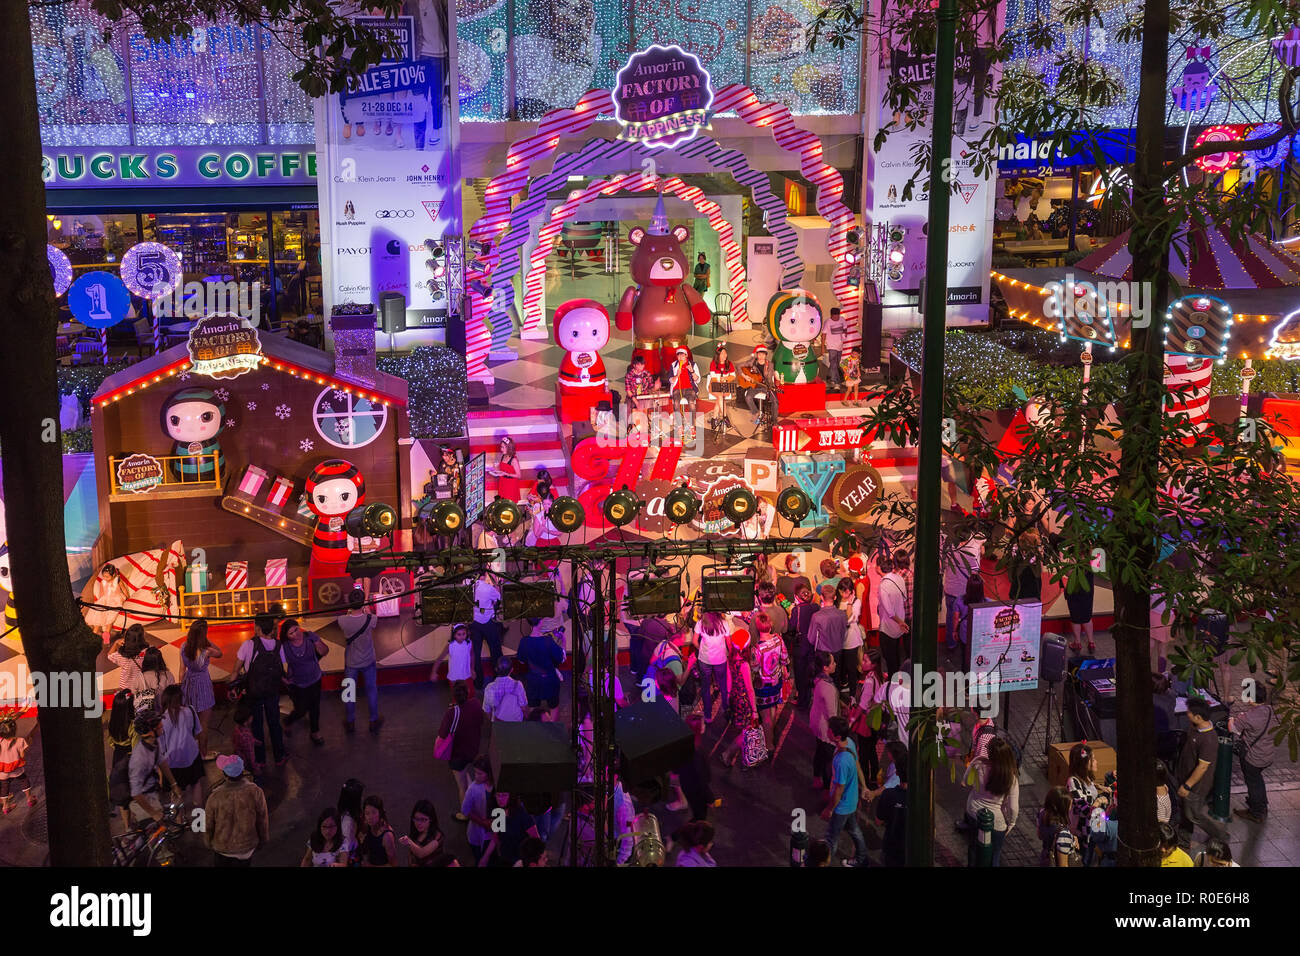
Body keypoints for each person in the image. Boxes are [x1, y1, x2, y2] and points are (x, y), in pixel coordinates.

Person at [234, 614, 286, 767]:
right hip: (272, 690)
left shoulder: (248, 645)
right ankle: (279, 756)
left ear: (257, 628)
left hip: (254, 691)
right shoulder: (278, 645)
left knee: (256, 724)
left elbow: (236, 669)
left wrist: (232, 686)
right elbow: (284, 668)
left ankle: (260, 759)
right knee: (274, 723)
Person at [1177, 697, 1229, 844]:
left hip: (1196, 786)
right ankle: (1184, 837)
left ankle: (1220, 835)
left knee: (1194, 814)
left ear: (1198, 717)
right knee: (1186, 812)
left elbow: (1203, 767)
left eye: (1189, 712)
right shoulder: (1195, 727)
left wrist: (1187, 785)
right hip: (1185, 778)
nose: (1187, 714)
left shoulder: (1209, 740)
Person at [964, 736, 1020, 867]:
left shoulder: (979, 765)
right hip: (997, 821)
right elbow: (1013, 807)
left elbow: (967, 781)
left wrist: (975, 761)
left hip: (973, 812)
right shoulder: (1010, 777)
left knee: (973, 847)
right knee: (995, 853)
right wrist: (1011, 823)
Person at [205, 755, 269, 866]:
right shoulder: (255, 791)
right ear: (242, 771)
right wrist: (263, 839)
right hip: (247, 848)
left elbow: (209, 824)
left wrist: (208, 841)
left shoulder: (215, 796)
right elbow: (262, 819)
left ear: (225, 775)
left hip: (223, 849)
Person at [822, 715, 867, 866]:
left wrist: (829, 809)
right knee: (854, 830)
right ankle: (861, 859)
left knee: (831, 838)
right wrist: (864, 787)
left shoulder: (841, 761)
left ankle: (824, 863)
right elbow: (857, 765)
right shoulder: (851, 743)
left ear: (837, 736)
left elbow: (839, 789)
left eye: (829, 730)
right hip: (852, 800)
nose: (827, 732)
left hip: (842, 806)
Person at [1229, 684, 1276, 823]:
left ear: (1250, 698)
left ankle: (1256, 813)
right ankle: (1262, 805)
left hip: (1254, 757)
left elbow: (1233, 729)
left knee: (1253, 783)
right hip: (1268, 754)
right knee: (1257, 780)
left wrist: (1232, 719)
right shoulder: (1270, 709)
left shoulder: (1248, 717)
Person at [177, 617, 221, 759]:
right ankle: (203, 753)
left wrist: (181, 686)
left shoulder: (184, 646)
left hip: (189, 683)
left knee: (190, 721)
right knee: (204, 724)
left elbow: (181, 670)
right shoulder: (206, 651)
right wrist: (207, 641)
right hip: (203, 685)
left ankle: (191, 751)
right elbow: (220, 652)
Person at [339, 590, 383, 734]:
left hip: (351, 662)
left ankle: (351, 721)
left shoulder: (342, 620)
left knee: (349, 693)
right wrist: (367, 610)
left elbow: (347, 620)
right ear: (363, 602)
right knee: (371, 691)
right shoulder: (371, 619)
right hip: (368, 660)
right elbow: (373, 619)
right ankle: (373, 720)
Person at [279, 618, 327, 746]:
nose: (296, 633)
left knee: (315, 707)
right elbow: (276, 664)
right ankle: (288, 721)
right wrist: (283, 678)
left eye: (296, 629)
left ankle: (315, 732)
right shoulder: (284, 647)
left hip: (315, 678)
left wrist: (317, 640)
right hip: (297, 683)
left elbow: (324, 651)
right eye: (291, 633)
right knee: (301, 710)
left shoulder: (309, 638)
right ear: (287, 636)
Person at [438, 681, 485, 809]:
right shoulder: (475, 704)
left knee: (461, 786)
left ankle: (465, 814)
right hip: (473, 750)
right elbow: (481, 721)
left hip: (458, 756)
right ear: (468, 692)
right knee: (472, 776)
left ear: (454, 696)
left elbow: (442, 735)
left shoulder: (451, 713)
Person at [158, 685, 205, 808]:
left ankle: (179, 822)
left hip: (172, 762)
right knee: (196, 783)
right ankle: (198, 820)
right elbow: (198, 732)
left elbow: (161, 747)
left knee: (176, 793)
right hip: (192, 755)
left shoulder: (161, 720)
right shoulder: (190, 710)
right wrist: (202, 750)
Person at [752, 611, 790, 753]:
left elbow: (755, 668)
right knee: (773, 709)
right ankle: (770, 737)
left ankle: (769, 745)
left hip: (763, 685)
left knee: (765, 716)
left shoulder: (757, 648)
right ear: (770, 625)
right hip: (776, 681)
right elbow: (785, 658)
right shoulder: (778, 639)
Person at [848, 648, 887, 784]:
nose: (862, 663)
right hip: (875, 720)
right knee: (871, 751)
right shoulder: (878, 677)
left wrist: (852, 719)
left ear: (873, 664)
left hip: (866, 721)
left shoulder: (870, 681)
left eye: (866, 661)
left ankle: (865, 782)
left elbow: (863, 705)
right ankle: (874, 777)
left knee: (864, 754)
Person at [720, 632, 759, 768]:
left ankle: (745, 757)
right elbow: (750, 689)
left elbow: (729, 682)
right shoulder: (744, 665)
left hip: (735, 699)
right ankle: (729, 753)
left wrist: (727, 700)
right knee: (748, 730)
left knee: (744, 729)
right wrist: (754, 710)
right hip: (744, 701)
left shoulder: (730, 659)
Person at [942, 530, 982, 651]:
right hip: (964, 592)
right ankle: (965, 641)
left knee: (950, 617)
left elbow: (943, 566)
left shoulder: (949, 551)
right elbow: (976, 572)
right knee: (966, 618)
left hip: (950, 589)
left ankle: (951, 643)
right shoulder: (972, 553)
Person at [871, 741, 909, 867]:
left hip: (892, 845)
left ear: (897, 773)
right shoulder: (920, 798)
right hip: (910, 848)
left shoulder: (888, 795)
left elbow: (878, 821)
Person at [479, 791, 539, 867]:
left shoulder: (522, 814)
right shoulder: (498, 811)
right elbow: (495, 837)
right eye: (498, 795)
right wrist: (485, 857)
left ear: (511, 796)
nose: (500, 799)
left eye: (504, 795)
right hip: (504, 858)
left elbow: (536, 840)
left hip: (519, 861)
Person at [809, 584, 850, 692]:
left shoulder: (817, 616)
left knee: (822, 682)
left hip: (823, 654)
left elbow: (811, 638)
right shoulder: (842, 614)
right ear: (835, 597)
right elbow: (844, 632)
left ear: (821, 597)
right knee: (836, 680)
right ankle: (835, 704)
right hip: (837, 651)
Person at [694, 611, 731, 724]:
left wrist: (702, 649)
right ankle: (726, 709)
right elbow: (729, 642)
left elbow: (694, 641)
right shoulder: (723, 623)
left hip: (705, 660)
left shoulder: (701, 623)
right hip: (720, 659)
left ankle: (708, 716)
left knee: (705, 687)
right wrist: (730, 653)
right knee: (723, 685)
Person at [810, 652, 839, 791]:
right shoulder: (827, 686)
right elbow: (831, 713)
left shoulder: (819, 680)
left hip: (816, 722)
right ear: (825, 668)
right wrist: (837, 731)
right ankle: (827, 790)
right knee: (829, 759)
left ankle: (816, 777)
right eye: (832, 663)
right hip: (824, 727)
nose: (835, 664)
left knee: (820, 751)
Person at [876, 556, 910, 676]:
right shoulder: (899, 578)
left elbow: (889, 611)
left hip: (889, 626)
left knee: (889, 657)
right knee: (896, 653)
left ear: (879, 568)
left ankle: (893, 680)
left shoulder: (883, 586)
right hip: (899, 624)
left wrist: (899, 621)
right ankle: (898, 677)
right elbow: (905, 598)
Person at [469, 571, 504, 689]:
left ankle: (478, 683)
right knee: (496, 651)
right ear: (485, 574)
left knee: (476, 654)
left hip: (474, 623)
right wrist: (496, 584)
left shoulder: (468, 585)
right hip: (488, 622)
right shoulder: (488, 588)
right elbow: (499, 598)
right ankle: (498, 679)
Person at [790, 584, 819, 710]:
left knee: (800, 674)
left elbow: (791, 627)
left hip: (801, 645)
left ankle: (802, 701)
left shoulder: (797, 610)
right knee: (810, 672)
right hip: (813, 645)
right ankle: (810, 697)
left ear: (796, 597)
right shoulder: (815, 607)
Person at [460, 756, 493, 859]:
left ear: (489, 774)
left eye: (480, 773)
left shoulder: (495, 787)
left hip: (494, 833)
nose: (476, 776)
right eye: (475, 772)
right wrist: (483, 823)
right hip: (477, 832)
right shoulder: (473, 789)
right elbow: (465, 810)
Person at [1037, 787, 1079, 867]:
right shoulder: (1063, 834)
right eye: (1070, 805)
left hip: (1045, 857)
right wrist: (1068, 839)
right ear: (1063, 807)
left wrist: (1071, 837)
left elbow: (1040, 835)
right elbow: (1063, 865)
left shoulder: (1042, 813)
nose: (1071, 808)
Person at [85, 562, 127, 641]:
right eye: (104, 576)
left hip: (115, 600)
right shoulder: (102, 582)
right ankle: (94, 635)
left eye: (107, 577)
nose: (105, 578)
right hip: (105, 599)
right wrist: (101, 602)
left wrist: (127, 596)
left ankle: (106, 637)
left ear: (113, 575)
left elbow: (123, 589)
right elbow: (101, 593)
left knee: (109, 619)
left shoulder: (117, 581)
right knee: (98, 615)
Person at [0, 718, 34, 814]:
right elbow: (22, 755)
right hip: (16, 769)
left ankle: (5, 807)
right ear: (14, 730)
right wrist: (29, 743)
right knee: (24, 780)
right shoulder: (20, 740)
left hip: (2, 771)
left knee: (4, 787)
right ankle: (30, 799)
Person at [107, 626, 149, 701]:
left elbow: (110, 655)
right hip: (142, 687)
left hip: (126, 689)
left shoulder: (121, 656)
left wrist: (116, 643)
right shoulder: (147, 652)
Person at [483, 657, 529, 723]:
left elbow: (487, 710)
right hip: (516, 722)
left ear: (496, 669)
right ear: (511, 670)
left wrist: (493, 722)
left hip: (498, 723)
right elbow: (523, 706)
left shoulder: (490, 688)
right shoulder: (518, 685)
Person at [399, 799, 444, 865]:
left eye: (423, 819)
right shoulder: (417, 831)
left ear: (431, 819)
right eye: (416, 819)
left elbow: (421, 853)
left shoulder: (437, 836)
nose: (418, 823)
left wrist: (408, 841)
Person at [356, 794, 397, 866]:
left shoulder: (387, 836)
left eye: (374, 812)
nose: (370, 817)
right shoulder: (368, 825)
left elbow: (393, 864)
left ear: (380, 813)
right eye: (367, 813)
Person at [134, 646, 174, 716]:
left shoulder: (139, 678)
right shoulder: (168, 675)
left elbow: (133, 696)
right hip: (164, 714)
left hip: (145, 716)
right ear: (161, 660)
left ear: (145, 661)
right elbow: (172, 696)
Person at [668, 347, 700, 433]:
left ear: (686, 355)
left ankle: (692, 426)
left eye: (682, 355)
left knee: (691, 404)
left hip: (689, 389)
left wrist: (692, 371)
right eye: (679, 355)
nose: (680, 357)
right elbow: (670, 380)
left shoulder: (692, 364)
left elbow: (698, 379)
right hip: (677, 389)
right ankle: (679, 426)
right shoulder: (674, 365)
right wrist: (676, 376)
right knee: (676, 404)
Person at [705, 344, 737, 429]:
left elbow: (733, 376)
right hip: (714, 385)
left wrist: (726, 378)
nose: (725, 355)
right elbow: (714, 378)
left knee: (719, 399)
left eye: (725, 353)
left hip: (725, 385)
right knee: (720, 397)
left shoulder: (729, 364)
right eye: (722, 353)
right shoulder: (713, 364)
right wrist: (720, 379)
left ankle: (714, 418)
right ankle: (725, 417)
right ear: (718, 355)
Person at [740, 345, 774, 418]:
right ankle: (756, 413)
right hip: (754, 386)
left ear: (766, 355)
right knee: (748, 397)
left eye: (763, 354)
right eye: (759, 354)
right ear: (757, 355)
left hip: (765, 387)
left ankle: (770, 417)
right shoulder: (752, 362)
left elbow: (770, 379)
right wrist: (744, 376)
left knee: (773, 399)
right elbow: (738, 366)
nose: (761, 356)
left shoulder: (770, 365)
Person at [230, 702, 261, 777]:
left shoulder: (237, 729)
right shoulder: (246, 735)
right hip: (246, 763)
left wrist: (255, 741)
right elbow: (250, 754)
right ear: (245, 722)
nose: (252, 717)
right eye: (251, 717)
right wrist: (255, 768)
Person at [337, 778, 365, 857]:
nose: (362, 797)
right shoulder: (348, 824)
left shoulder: (343, 813)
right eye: (360, 796)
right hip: (351, 855)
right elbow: (345, 848)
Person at [489, 436, 521, 502]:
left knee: (509, 504)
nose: (501, 449)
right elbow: (503, 469)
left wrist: (506, 474)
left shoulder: (513, 460)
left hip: (510, 485)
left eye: (503, 447)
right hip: (502, 483)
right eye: (501, 447)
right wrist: (495, 470)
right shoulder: (503, 456)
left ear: (509, 448)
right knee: (502, 502)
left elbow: (519, 475)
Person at [823, 306, 846, 389]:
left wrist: (844, 335)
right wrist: (822, 347)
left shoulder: (842, 319)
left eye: (838, 316)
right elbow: (824, 334)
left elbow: (845, 328)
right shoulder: (827, 322)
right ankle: (836, 382)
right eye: (834, 316)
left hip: (839, 345)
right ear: (831, 315)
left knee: (836, 363)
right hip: (831, 346)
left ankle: (830, 376)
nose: (836, 318)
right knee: (833, 363)